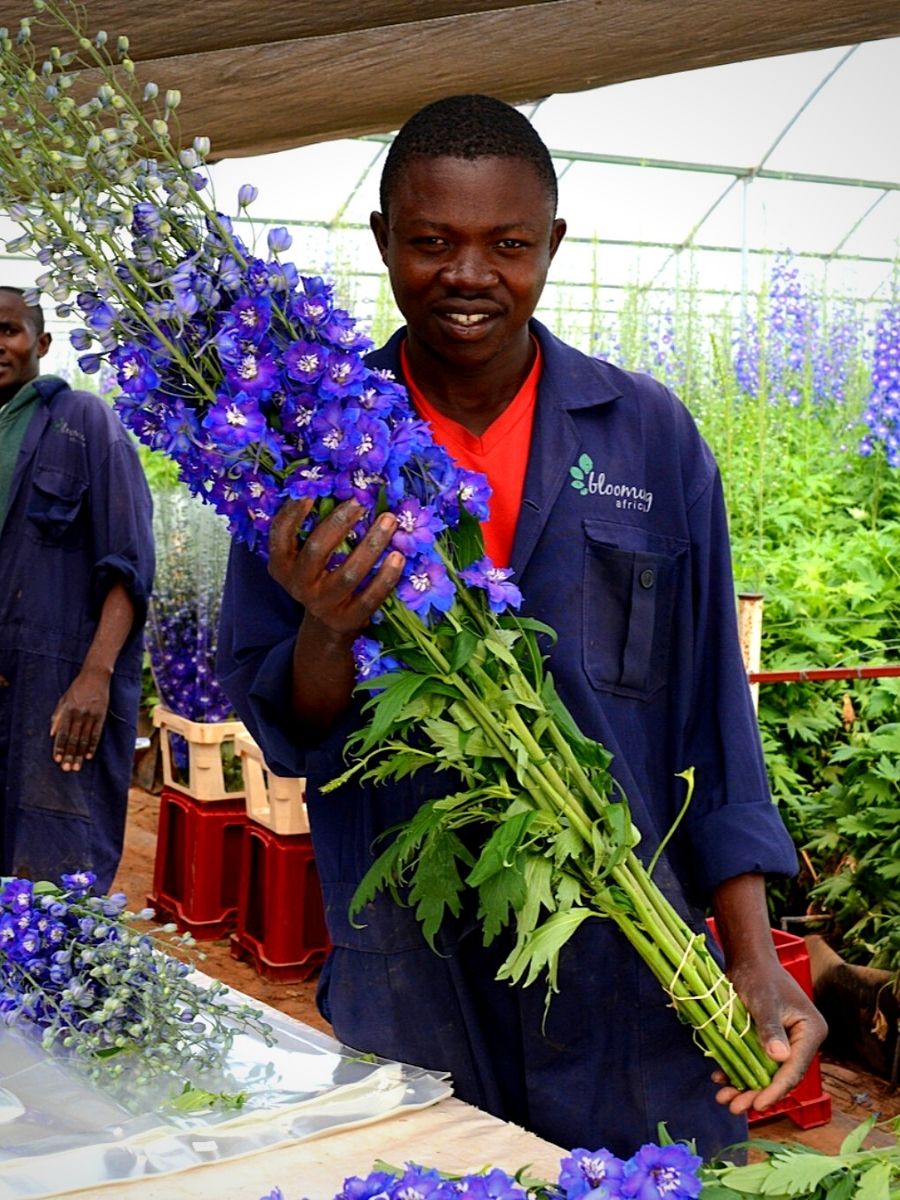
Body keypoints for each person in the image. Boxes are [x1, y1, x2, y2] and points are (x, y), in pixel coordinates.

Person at [217, 95, 826, 1157]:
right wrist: (326, 627)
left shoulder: (648, 436)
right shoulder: (305, 444)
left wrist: (751, 952)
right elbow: (291, 732)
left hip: (630, 956)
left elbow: (711, 714)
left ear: (552, 242)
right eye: (431, 242)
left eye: (507, 245)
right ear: (383, 241)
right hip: (414, 965)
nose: (469, 275)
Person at [0, 286, 154, 893]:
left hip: (53, 686)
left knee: (55, 872)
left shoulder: (82, 422)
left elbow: (129, 563)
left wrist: (95, 676)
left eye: (8, 331)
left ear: (40, 342)